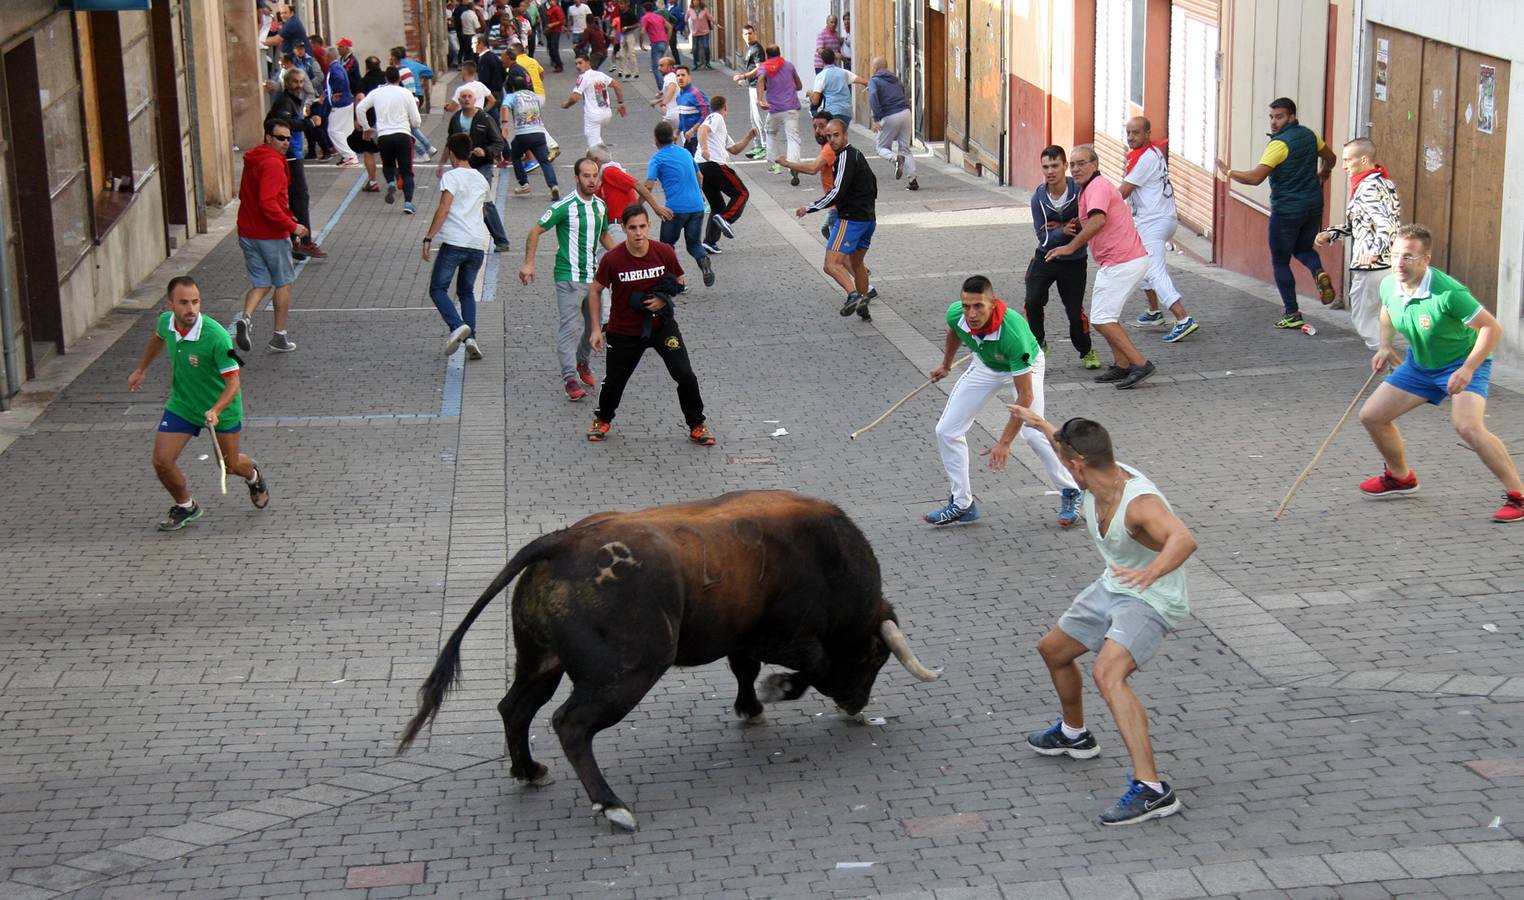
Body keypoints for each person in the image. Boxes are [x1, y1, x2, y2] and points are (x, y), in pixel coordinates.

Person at [1014, 412, 1195, 826]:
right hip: (1114, 585)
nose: (1063, 470)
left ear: (1077, 465)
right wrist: (1041, 426)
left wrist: (1151, 571)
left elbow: (1184, 538)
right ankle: (1074, 734)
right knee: (1054, 650)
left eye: (1064, 464)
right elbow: (1067, 447)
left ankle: (1151, 790)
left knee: (1108, 675)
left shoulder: (1140, 503)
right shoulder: (1092, 469)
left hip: (1151, 597)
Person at [1356, 224, 1523, 522]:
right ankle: (1400, 478)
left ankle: (1518, 496)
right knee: (1372, 416)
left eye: (1408, 257)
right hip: (1420, 366)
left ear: (1426, 260)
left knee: (1468, 427)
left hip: (1461, 364)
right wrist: (1384, 346)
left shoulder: (1448, 292)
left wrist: (1468, 368)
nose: (1398, 263)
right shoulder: (1389, 285)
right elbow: (1387, 312)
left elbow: (1491, 327)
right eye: (1395, 255)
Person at [925, 276, 1084, 528]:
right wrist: (945, 365)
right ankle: (962, 504)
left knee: (1033, 433)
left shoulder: (1012, 334)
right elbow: (954, 331)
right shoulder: (956, 314)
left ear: (992, 303)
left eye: (978, 306)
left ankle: (1071, 490)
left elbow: (1025, 397)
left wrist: (1004, 442)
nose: (971, 313)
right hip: (986, 366)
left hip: (1022, 369)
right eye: (967, 306)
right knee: (946, 431)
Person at [128, 276, 270, 532]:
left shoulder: (216, 337)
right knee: (161, 461)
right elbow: (158, 338)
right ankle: (186, 506)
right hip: (183, 404)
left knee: (229, 465)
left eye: (195, 302)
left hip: (221, 409)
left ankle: (254, 476)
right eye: (183, 303)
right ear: (170, 304)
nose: (191, 309)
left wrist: (215, 410)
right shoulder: (165, 322)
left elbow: (233, 383)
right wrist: (141, 369)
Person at [585, 204, 716, 446]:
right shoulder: (613, 259)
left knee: (685, 375)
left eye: (642, 227)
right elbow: (595, 291)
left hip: (661, 326)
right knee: (614, 381)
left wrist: (662, 298)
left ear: (649, 226)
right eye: (632, 228)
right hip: (624, 330)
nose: (638, 233)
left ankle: (697, 424)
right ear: (623, 229)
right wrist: (595, 329)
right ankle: (602, 419)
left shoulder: (664, 251)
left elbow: (679, 280)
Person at [1045, 144, 1154, 390]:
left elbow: (1098, 219)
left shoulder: (1097, 187)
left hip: (1122, 261)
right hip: (1119, 261)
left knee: (1102, 318)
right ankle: (1122, 365)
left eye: (1081, 163)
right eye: (1072, 165)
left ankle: (1140, 363)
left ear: (1095, 165)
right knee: (1106, 316)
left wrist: (1070, 247)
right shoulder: (1091, 189)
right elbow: (1092, 218)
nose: (1076, 168)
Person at [1227, 97, 1339, 329]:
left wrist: (1228, 172)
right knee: (1303, 248)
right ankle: (1318, 271)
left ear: (1292, 117)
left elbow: (1255, 178)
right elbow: (1331, 158)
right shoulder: (1310, 135)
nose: (1273, 122)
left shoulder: (1278, 145)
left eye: (1279, 117)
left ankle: (1292, 313)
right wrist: (1324, 174)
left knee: (1280, 261)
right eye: (1271, 117)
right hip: (1313, 206)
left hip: (1286, 210)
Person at [520, 157, 617, 400]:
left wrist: (620, 259)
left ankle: (582, 361)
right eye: (586, 176)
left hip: (594, 279)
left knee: (594, 327)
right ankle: (569, 378)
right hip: (568, 277)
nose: (591, 180)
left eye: (594, 175)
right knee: (570, 327)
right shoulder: (565, 206)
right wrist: (529, 263)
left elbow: (604, 234)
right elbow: (536, 230)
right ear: (576, 178)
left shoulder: (600, 206)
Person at [1315, 137, 1400, 351]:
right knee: (1379, 319)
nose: (1343, 166)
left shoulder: (1368, 188)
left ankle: (1393, 366)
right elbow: (1361, 223)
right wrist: (1332, 233)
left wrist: (1373, 252)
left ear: (1363, 160)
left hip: (1372, 266)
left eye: (1347, 160)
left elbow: (1387, 225)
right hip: (1386, 264)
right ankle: (1393, 364)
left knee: (1364, 319)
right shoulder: (1382, 182)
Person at [232, 121, 307, 353]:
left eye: (288, 138)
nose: (285, 142)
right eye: (280, 138)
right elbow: (268, 202)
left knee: (261, 282)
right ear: (268, 138)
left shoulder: (253, 159)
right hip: (270, 234)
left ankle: (245, 318)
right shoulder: (273, 163)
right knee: (284, 282)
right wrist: (292, 225)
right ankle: (279, 335)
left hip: (247, 231)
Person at [1120, 117, 1198, 343]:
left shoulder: (1145, 159)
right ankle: (1154, 312)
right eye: (1128, 133)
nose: (1131, 137)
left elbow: (1124, 191)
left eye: (1136, 133)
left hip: (1153, 222)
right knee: (1141, 262)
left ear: (1147, 134)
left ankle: (1183, 318)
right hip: (1158, 219)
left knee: (1154, 270)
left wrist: (1097, 206)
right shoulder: (1151, 153)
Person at [796, 118, 876, 321]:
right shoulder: (858, 154)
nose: (832, 140)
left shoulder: (844, 157)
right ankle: (863, 306)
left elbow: (837, 191)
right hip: (868, 220)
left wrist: (810, 207)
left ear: (846, 134)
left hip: (850, 220)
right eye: (829, 136)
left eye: (836, 135)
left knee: (831, 265)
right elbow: (873, 185)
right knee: (857, 264)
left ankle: (853, 296)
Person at [1027, 145, 1096, 369]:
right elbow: (1042, 236)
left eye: (1055, 166)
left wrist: (1062, 227)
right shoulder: (1038, 197)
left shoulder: (1080, 191)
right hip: (1046, 257)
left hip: (1074, 260)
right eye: (1045, 167)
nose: (1050, 171)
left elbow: (1087, 223)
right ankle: (1039, 344)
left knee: (1074, 311)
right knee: (1032, 300)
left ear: (1065, 166)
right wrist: (1062, 231)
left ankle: (1086, 351)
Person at [422, 132, 490, 360]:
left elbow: (444, 208)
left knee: (438, 288)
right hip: (477, 243)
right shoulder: (481, 178)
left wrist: (428, 237)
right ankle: (471, 339)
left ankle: (457, 325)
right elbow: (484, 210)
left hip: (455, 241)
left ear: (451, 152)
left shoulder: (451, 177)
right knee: (466, 291)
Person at [263, 68, 327, 260]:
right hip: (289, 156)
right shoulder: (284, 101)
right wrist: (310, 123)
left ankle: (294, 241)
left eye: (301, 81)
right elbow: (286, 123)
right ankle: (304, 242)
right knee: (299, 197)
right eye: (295, 82)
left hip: (292, 154)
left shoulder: (292, 101)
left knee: (294, 198)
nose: (299, 85)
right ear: (287, 83)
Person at [645, 120, 715, 286]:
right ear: (673, 138)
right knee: (694, 244)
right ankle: (703, 260)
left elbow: (648, 185)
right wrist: (698, 194)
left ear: (656, 141)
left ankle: (676, 280)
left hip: (675, 209)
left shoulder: (657, 158)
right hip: (697, 206)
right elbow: (700, 177)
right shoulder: (685, 153)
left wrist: (639, 204)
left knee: (666, 246)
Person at [446, 87, 513, 252]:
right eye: (464, 97)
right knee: (461, 201)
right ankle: (463, 237)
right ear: (459, 100)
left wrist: (486, 151)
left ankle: (501, 240)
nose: (467, 99)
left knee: (484, 200)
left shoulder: (485, 118)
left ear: (475, 99)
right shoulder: (456, 119)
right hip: (461, 165)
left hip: (482, 164)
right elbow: (450, 142)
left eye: (470, 96)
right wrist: (444, 164)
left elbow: (499, 142)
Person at [355, 66, 423, 213]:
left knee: (388, 164)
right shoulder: (406, 93)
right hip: (403, 135)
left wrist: (366, 127)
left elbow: (360, 108)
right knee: (407, 171)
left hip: (384, 136)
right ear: (399, 79)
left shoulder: (377, 92)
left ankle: (391, 182)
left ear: (385, 79)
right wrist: (412, 125)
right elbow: (416, 120)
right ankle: (408, 203)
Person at [694, 96, 756, 253]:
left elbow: (734, 149)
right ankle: (726, 218)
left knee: (717, 205)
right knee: (741, 193)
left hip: (701, 168)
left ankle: (709, 242)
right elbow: (702, 129)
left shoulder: (720, 129)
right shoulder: (716, 117)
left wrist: (749, 137)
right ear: (725, 108)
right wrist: (705, 148)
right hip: (713, 164)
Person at [776, 110, 841, 240]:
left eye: (821, 126)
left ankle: (843, 259)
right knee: (827, 232)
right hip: (837, 203)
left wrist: (787, 164)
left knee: (836, 249)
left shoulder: (829, 148)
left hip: (840, 206)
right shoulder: (828, 146)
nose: (817, 131)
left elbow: (813, 169)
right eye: (815, 127)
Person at [505, 74, 560, 197]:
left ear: (513, 87)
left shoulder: (512, 96)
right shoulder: (534, 96)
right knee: (544, 161)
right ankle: (553, 185)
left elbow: (505, 107)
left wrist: (504, 123)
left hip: (523, 133)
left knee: (515, 155)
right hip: (539, 132)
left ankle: (523, 183)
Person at [866, 57, 917, 191]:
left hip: (890, 115)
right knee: (905, 148)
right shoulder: (896, 79)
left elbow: (872, 96)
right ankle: (913, 180)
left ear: (875, 68)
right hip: (905, 113)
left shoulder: (874, 81)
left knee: (881, 148)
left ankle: (895, 159)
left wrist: (876, 119)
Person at [756, 45, 803, 182]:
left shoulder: (764, 67)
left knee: (770, 133)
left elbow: (760, 80)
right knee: (793, 138)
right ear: (779, 53)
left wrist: (760, 99)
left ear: (767, 55)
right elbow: (799, 85)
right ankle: (793, 165)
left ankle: (775, 161)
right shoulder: (789, 66)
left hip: (775, 109)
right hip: (791, 108)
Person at [563, 53, 625, 148]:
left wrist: (566, 105)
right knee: (597, 141)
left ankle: (606, 161)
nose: (578, 66)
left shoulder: (583, 77)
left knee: (594, 147)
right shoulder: (600, 74)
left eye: (580, 63)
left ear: (588, 62)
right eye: (576, 64)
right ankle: (604, 158)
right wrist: (620, 103)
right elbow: (616, 85)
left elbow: (575, 97)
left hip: (593, 116)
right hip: (606, 114)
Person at [731, 24, 768, 161]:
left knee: (759, 118)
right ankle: (758, 145)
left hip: (758, 87)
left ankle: (765, 147)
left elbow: (760, 69)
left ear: (755, 34)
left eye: (750, 33)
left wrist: (744, 76)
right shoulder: (750, 49)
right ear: (742, 35)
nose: (748, 36)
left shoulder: (757, 49)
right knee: (754, 118)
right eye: (746, 34)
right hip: (752, 86)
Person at [324, 48, 360, 166]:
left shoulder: (334, 68)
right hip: (346, 102)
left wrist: (336, 92)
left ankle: (349, 155)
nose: (323, 58)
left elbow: (338, 79)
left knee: (333, 130)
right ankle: (347, 155)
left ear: (329, 57)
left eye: (325, 56)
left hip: (341, 104)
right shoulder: (338, 66)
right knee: (342, 130)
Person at [809, 49, 863, 126]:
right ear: (835, 59)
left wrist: (810, 93)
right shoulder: (844, 72)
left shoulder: (821, 76)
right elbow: (864, 81)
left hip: (831, 112)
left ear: (822, 61)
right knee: (841, 134)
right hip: (846, 111)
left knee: (831, 135)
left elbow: (815, 101)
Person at [672, 64, 709, 153]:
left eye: (683, 75)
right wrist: (676, 132)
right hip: (688, 140)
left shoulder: (696, 94)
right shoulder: (679, 97)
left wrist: (693, 130)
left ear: (689, 77)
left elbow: (707, 114)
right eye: (678, 75)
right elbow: (682, 118)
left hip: (699, 139)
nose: (680, 78)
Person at [640, 1, 669, 89]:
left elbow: (642, 32)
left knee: (656, 68)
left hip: (656, 43)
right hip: (663, 42)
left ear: (644, 9)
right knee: (663, 65)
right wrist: (667, 39)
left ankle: (662, 88)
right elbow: (670, 27)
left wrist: (641, 44)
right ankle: (667, 85)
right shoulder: (659, 16)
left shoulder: (645, 17)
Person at [616, 0, 642, 80]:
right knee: (622, 54)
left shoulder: (631, 13)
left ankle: (636, 72)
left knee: (631, 53)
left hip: (630, 34)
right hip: (623, 35)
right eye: (620, 4)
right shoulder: (621, 12)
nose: (620, 5)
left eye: (622, 4)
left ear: (627, 4)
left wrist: (627, 27)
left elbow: (637, 24)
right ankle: (626, 72)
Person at [650, 56, 679, 124]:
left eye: (662, 66)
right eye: (659, 66)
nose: (659, 68)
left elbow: (672, 89)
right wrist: (661, 92)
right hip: (677, 112)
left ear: (670, 67)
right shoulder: (673, 75)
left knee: (662, 132)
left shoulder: (669, 76)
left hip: (673, 113)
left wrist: (661, 103)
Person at [687, 1, 713, 70]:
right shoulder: (690, 10)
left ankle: (707, 63)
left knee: (706, 46)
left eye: (697, 0)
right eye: (694, 0)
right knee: (695, 49)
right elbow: (685, 18)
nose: (696, 2)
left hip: (705, 31)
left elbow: (709, 17)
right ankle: (695, 64)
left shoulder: (704, 9)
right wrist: (687, 28)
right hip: (695, 32)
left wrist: (715, 22)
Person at [543, 0, 565, 72]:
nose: (550, 2)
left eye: (552, 0)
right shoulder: (550, 8)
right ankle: (557, 63)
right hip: (551, 30)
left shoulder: (557, 9)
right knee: (551, 48)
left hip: (556, 31)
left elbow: (561, 21)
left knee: (554, 48)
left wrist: (552, 25)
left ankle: (559, 65)